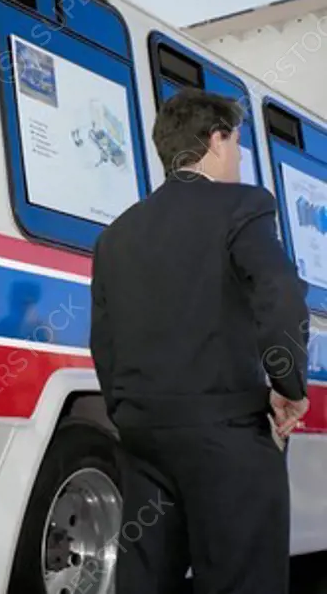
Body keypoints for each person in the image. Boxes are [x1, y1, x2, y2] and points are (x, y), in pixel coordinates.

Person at [89, 87, 310, 594]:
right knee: (241, 578)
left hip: (144, 438)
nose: (236, 157)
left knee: (147, 580)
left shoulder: (117, 234)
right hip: (227, 434)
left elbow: (104, 340)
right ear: (216, 140)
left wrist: (128, 413)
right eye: (235, 144)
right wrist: (289, 384)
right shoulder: (244, 206)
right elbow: (279, 295)